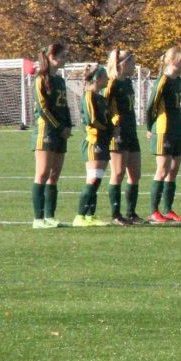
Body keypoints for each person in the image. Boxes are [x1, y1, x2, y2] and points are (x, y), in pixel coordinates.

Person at [31, 42, 71, 228]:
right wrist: (58, 127)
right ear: (52, 57)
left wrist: (68, 126)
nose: (65, 60)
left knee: (54, 175)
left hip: (61, 132)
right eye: (63, 56)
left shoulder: (60, 81)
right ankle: (38, 219)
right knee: (42, 173)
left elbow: (65, 106)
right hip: (46, 132)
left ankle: (50, 216)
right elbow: (43, 109)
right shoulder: (41, 79)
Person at [146, 47, 181, 223]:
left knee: (174, 170)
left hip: (176, 128)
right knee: (162, 169)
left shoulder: (178, 81)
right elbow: (151, 106)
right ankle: (154, 211)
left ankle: (168, 209)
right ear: (173, 61)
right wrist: (150, 127)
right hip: (163, 129)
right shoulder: (162, 81)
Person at [106, 48, 143, 225]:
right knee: (118, 173)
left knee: (135, 174)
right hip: (118, 132)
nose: (134, 66)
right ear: (124, 63)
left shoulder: (127, 82)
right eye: (133, 62)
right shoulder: (111, 84)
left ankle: (131, 213)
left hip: (131, 131)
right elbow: (104, 107)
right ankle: (115, 214)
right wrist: (113, 124)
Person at [75, 64, 110, 227]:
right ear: (97, 78)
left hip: (103, 141)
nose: (108, 79)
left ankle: (90, 215)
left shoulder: (102, 98)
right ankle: (79, 216)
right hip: (93, 141)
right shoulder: (89, 95)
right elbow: (92, 120)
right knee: (93, 177)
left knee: (98, 179)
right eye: (105, 76)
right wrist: (109, 129)